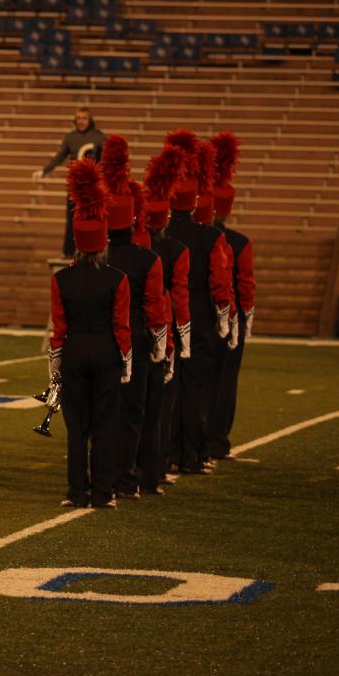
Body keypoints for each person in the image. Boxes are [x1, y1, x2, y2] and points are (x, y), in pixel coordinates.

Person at [47, 158, 131, 509]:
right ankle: (103, 492)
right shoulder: (117, 278)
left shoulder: (61, 278)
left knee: (76, 426)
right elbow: (122, 325)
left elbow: (58, 326)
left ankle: (76, 491)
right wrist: (126, 361)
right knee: (104, 425)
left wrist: (54, 368)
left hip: (75, 350)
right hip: (108, 350)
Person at [97, 136, 169, 500]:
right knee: (133, 412)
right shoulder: (148, 259)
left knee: (103, 412)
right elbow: (156, 306)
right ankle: (127, 478)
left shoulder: (96, 260)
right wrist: (162, 344)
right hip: (137, 340)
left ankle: (101, 478)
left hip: (100, 338)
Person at [164, 130, 236, 476]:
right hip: (201, 315)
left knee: (166, 388)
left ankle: (162, 455)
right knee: (196, 389)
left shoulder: (159, 237)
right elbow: (221, 282)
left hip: (166, 314)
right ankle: (191, 455)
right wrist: (225, 318)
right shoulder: (211, 236)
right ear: (194, 202)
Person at [137, 144, 189, 491]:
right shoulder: (174, 251)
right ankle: (154, 470)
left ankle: (127, 471)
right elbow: (177, 298)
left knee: (131, 409)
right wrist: (178, 340)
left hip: (130, 332)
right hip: (161, 329)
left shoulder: (133, 252)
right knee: (159, 408)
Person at [208, 130, 254, 462]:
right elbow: (246, 286)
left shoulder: (190, 239)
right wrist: (244, 321)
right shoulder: (239, 242)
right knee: (224, 383)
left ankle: (188, 444)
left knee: (194, 384)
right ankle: (217, 442)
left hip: (198, 316)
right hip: (231, 317)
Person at [32, 106, 107, 256]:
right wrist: (44, 170)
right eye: (78, 118)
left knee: (94, 218)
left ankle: (95, 250)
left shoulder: (99, 137)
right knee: (72, 219)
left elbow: (105, 161)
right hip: (75, 187)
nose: (81, 121)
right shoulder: (70, 137)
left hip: (93, 187)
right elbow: (59, 157)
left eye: (84, 118)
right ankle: (68, 252)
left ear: (90, 120)